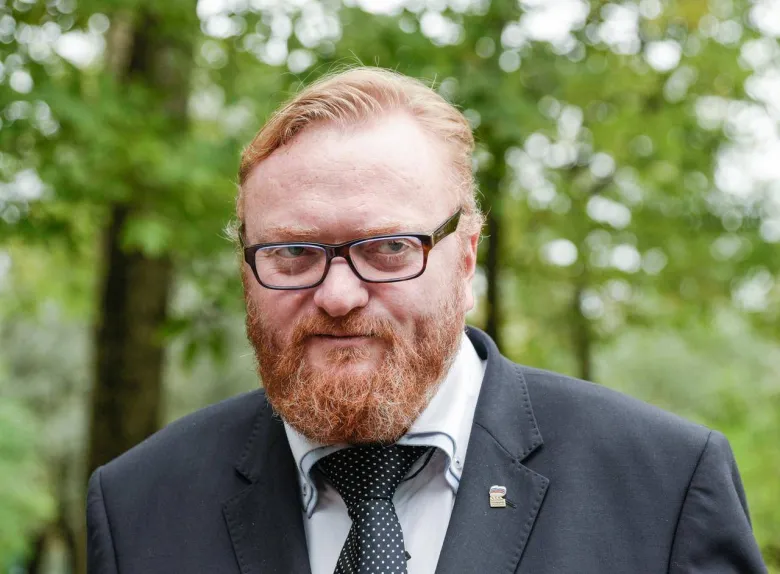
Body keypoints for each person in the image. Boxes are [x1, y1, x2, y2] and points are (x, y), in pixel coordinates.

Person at [86, 67, 767, 574]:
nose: (339, 296)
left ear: (466, 258)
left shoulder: (665, 487)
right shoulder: (139, 504)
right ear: (246, 267)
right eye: (293, 253)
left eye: (388, 248)